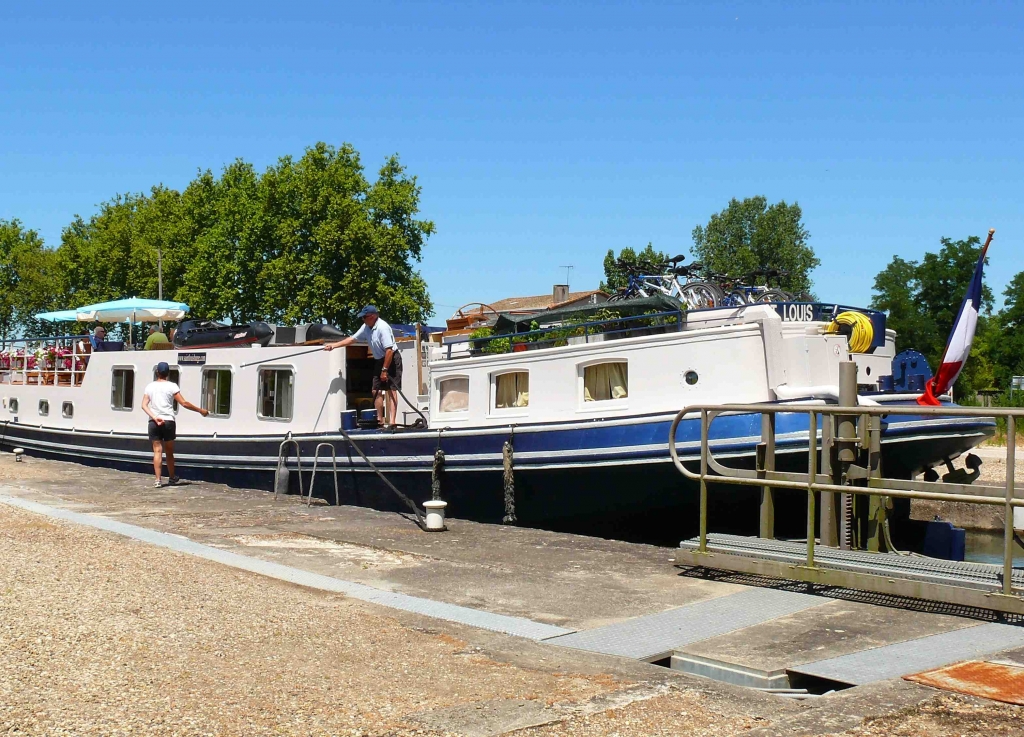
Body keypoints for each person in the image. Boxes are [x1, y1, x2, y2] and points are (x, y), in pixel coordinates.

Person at [323, 305, 402, 428]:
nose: (363, 320)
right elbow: (352, 339)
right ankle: (380, 421)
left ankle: (392, 422)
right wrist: (334, 346)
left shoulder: (383, 328)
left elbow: (390, 350)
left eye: (364, 317)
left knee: (392, 390)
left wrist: (385, 370)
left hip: (391, 358)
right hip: (379, 359)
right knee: (375, 390)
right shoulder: (366, 327)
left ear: (373, 316)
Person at [141, 361, 209, 487]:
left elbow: (143, 405)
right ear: (168, 373)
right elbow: (184, 403)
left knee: (157, 451)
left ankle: (157, 480)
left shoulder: (150, 387)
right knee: (169, 451)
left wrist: (155, 417)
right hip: (168, 421)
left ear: (157, 372)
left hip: (154, 422)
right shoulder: (172, 386)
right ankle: (172, 477)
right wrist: (200, 410)